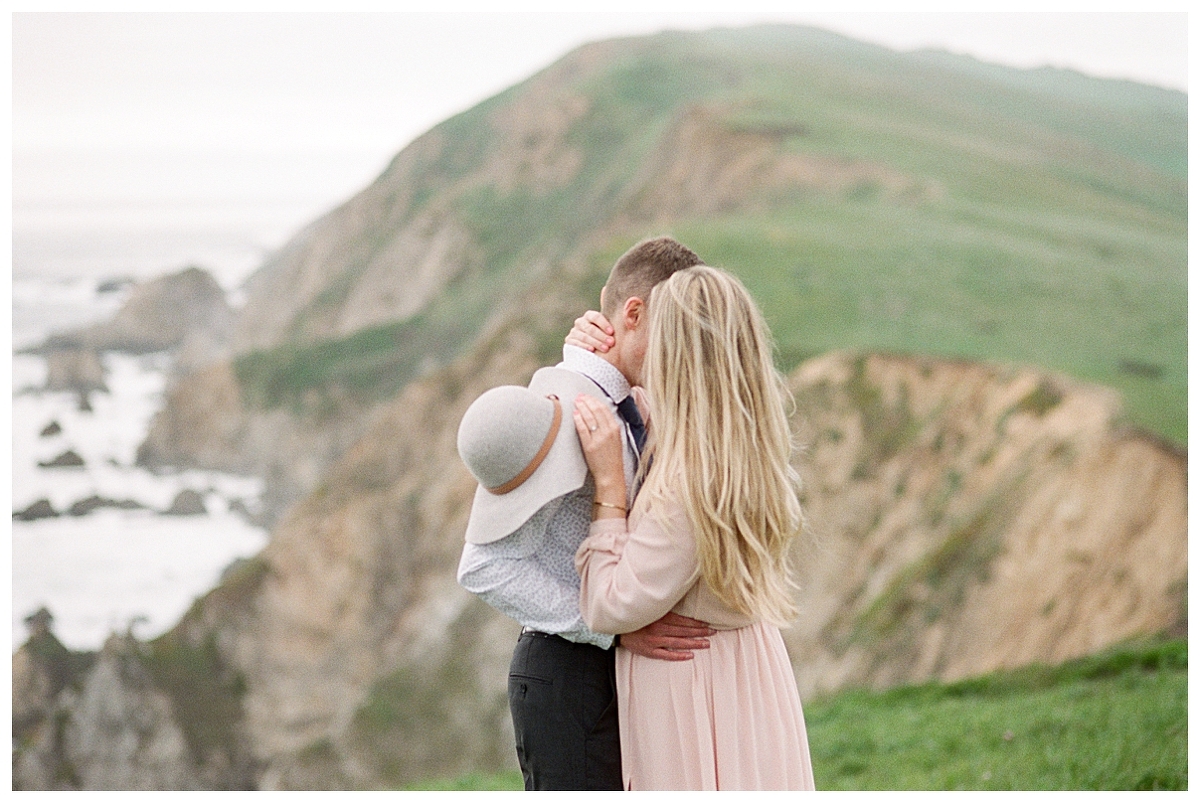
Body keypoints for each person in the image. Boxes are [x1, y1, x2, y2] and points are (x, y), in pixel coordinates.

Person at [455, 236, 716, 791]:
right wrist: (609, 632)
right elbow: (482, 564)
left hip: (606, 673)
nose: (686, 346)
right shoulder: (564, 408)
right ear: (634, 313)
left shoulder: (629, 401)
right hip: (566, 677)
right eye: (678, 328)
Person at [571, 265, 816, 790]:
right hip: (744, 675)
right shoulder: (738, 444)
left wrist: (610, 490)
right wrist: (583, 358)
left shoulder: (688, 480)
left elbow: (608, 605)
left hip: (693, 691)